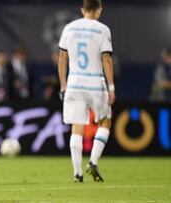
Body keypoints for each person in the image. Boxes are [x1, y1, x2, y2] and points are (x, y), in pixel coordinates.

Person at [58, 0, 115, 182]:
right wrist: (111, 87)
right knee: (105, 121)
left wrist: (63, 85)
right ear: (98, 10)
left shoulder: (69, 28)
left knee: (77, 125)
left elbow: (61, 58)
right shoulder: (102, 29)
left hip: (74, 82)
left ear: (83, 10)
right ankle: (92, 161)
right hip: (95, 83)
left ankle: (77, 173)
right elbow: (106, 59)